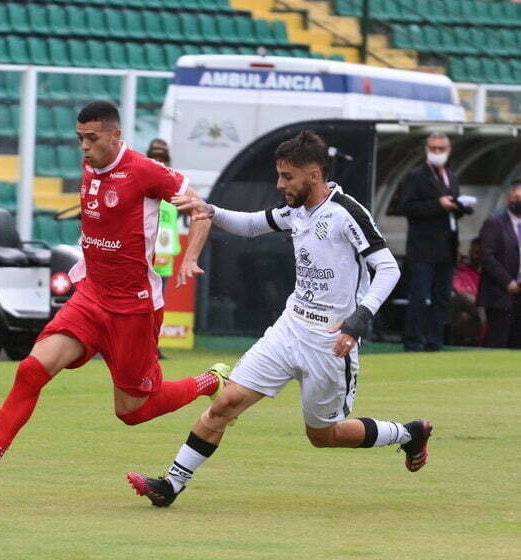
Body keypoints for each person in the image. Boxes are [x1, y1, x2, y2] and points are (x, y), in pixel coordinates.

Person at [125, 130, 432, 508]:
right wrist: (210, 210)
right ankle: (171, 484)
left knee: (323, 436)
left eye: (287, 176)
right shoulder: (296, 211)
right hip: (289, 329)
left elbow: (387, 268)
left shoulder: (346, 213)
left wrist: (357, 320)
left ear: (314, 175)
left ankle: (408, 434)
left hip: (330, 341)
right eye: (279, 175)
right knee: (225, 403)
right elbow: (252, 224)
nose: (280, 184)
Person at [0, 101, 223, 501]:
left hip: (134, 308)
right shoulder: (90, 166)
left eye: (92, 138)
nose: (84, 146)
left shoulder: (144, 170)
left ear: (115, 135)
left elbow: (202, 210)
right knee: (31, 371)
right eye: (79, 138)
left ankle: (210, 381)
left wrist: (190, 257)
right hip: (92, 296)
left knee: (133, 411)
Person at [400, 132, 472, 352]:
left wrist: (459, 206)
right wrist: (438, 204)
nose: (437, 152)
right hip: (423, 248)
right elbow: (407, 207)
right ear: (427, 149)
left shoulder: (452, 177)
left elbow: (451, 212)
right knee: (419, 296)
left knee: (442, 298)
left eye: (441, 149)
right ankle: (413, 340)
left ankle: (435, 340)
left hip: (447, 247)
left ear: (449, 151)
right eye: (433, 148)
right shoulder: (416, 176)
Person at [146, 139, 181, 359]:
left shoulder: (173, 188)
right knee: (144, 305)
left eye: (163, 159)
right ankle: (145, 347)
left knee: (157, 304)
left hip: (164, 257)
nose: (160, 163)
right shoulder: (144, 187)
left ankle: (152, 346)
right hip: (146, 255)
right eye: (155, 158)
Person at [477, 181, 521, 348]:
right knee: (498, 341)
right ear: (508, 199)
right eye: (516, 197)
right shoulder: (494, 223)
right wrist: (508, 282)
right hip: (500, 294)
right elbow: (487, 257)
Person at [448, 238, 483, 346]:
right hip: (462, 314)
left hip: (480, 313)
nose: (475, 256)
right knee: (463, 299)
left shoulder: (489, 275)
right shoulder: (459, 272)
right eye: (473, 252)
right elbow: (460, 294)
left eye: (479, 253)